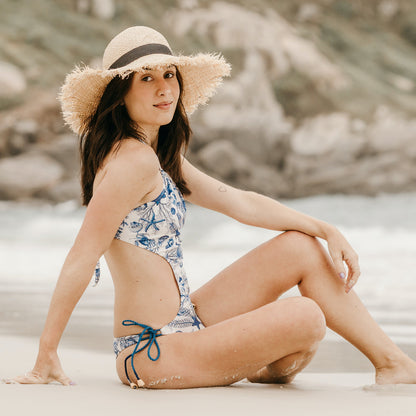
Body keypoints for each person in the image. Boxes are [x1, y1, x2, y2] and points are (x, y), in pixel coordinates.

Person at [9, 26, 416, 389]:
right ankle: (272, 361)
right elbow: (82, 254)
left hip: (186, 322)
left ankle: (392, 363)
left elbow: (238, 201)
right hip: (152, 353)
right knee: (307, 317)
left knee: (300, 246)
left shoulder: (157, 156)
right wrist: (47, 354)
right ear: (120, 93)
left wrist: (326, 229)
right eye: (145, 78)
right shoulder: (132, 162)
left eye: (169, 75)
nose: (164, 88)